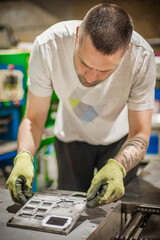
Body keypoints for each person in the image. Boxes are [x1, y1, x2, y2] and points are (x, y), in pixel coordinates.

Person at [6, 3, 155, 208]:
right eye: (84, 63)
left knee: (115, 213)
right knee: (68, 207)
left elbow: (140, 132)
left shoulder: (142, 57)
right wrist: (23, 157)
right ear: (77, 36)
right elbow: (34, 118)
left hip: (120, 142)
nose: (92, 77)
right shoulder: (49, 46)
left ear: (126, 50)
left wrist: (119, 168)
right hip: (71, 140)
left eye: (105, 70)